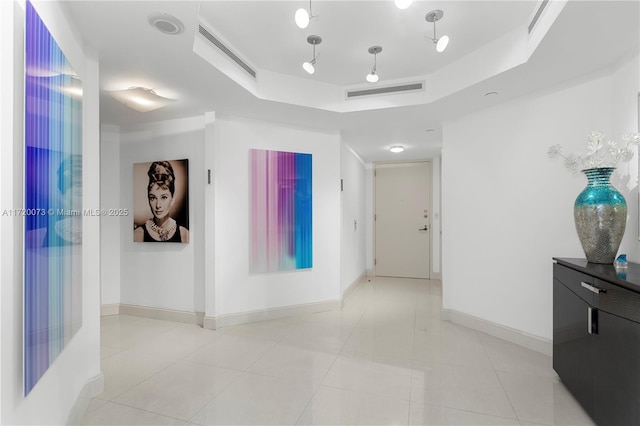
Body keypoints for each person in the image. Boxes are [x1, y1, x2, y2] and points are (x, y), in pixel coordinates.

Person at [134, 161, 189, 242]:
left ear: (172, 198)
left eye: (163, 197)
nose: (158, 205)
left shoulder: (184, 234)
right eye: (153, 198)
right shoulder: (138, 234)